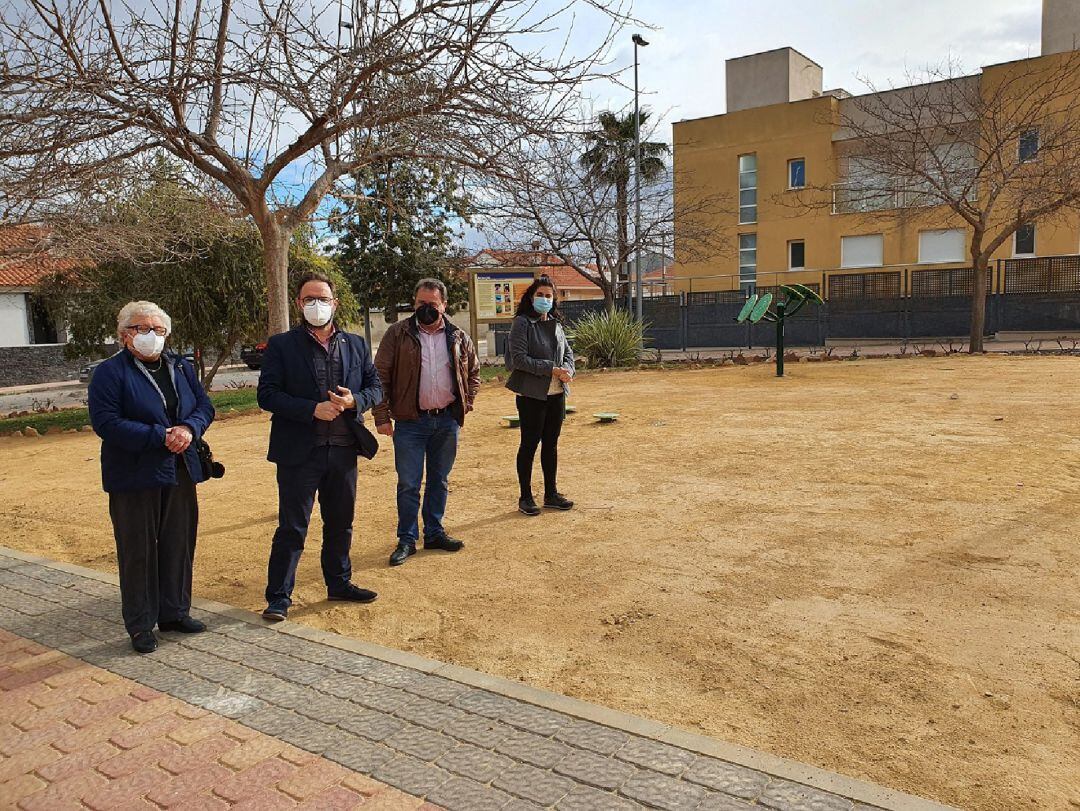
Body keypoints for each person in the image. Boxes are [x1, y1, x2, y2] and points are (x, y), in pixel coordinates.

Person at [88, 301, 216, 654]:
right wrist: (161, 435)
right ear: (124, 334)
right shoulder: (110, 373)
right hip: (134, 474)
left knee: (178, 543)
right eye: (142, 329)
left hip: (180, 467)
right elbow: (107, 422)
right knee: (138, 551)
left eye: (158, 330)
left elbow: (205, 406)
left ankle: (174, 612)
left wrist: (188, 429)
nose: (151, 336)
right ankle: (141, 624)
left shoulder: (180, 366)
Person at [257, 271, 383, 622]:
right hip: (300, 452)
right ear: (298, 304)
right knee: (292, 527)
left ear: (334, 303)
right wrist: (311, 409)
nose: (317, 305)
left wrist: (354, 400)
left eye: (323, 299)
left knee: (341, 522)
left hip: (343, 449)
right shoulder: (282, 345)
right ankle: (279, 596)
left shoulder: (356, 344)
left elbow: (376, 387)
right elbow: (266, 394)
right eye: (309, 299)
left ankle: (339, 582)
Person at [374, 279, 480, 566]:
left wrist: (465, 404)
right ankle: (407, 539)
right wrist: (382, 416)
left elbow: (473, 372)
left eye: (432, 304)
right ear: (414, 302)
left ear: (443, 305)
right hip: (411, 423)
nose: (426, 309)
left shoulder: (458, 336)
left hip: (446, 422)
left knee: (439, 481)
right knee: (408, 484)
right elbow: (379, 376)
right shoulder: (398, 334)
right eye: (421, 303)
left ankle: (434, 532)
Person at [506, 276, 575, 516]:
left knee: (551, 445)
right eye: (541, 295)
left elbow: (568, 353)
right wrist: (551, 369)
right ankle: (525, 496)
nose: (545, 299)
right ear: (531, 297)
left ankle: (551, 494)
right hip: (532, 396)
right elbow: (519, 359)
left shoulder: (556, 323)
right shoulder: (522, 323)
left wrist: (568, 371)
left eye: (549, 296)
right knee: (529, 445)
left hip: (557, 393)